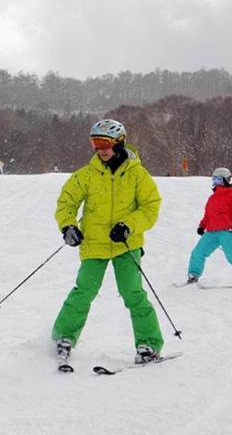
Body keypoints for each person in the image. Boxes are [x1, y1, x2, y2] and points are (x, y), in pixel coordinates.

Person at [52, 118, 163, 367]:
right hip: (93, 244)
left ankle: (149, 343)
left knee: (133, 294)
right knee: (84, 291)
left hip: (126, 244)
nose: (100, 149)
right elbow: (66, 202)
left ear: (120, 143)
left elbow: (150, 206)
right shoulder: (87, 175)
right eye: (95, 143)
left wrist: (128, 225)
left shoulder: (137, 175)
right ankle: (64, 337)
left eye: (104, 143)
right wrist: (68, 226)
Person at [186, 167, 232, 284]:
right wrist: (202, 226)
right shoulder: (212, 198)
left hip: (227, 232)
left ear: (226, 180)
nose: (216, 183)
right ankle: (193, 275)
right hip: (211, 232)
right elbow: (208, 215)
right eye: (214, 180)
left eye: (218, 180)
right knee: (198, 252)